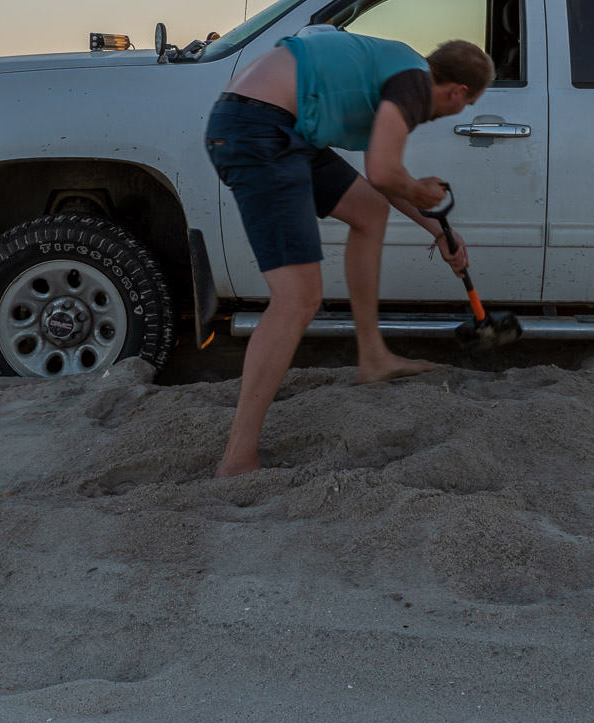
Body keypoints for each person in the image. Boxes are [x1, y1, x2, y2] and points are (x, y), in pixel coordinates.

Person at [205, 30, 493, 477]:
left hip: (282, 127)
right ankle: (237, 459)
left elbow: (383, 181)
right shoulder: (413, 86)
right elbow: (385, 170)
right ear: (458, 92)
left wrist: (437, 229)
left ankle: (373, 356)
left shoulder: (405, 71)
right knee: (297, 298)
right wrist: (420, 189)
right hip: (258, 128)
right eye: (466, 105)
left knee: (368, 210)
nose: (460, 112)